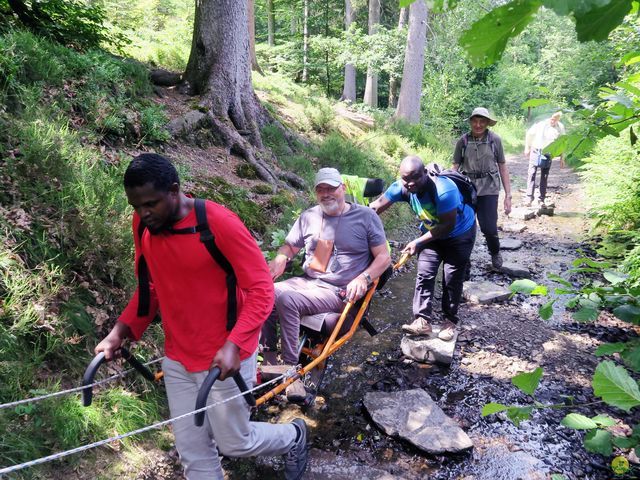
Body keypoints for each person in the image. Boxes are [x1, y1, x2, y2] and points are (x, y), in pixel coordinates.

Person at [94, 153, 307, 480]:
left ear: (175, 191)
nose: (143, 213)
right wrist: (121, 331)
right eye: (136, 206)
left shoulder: (217, 223)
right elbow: (149, 286)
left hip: (224, 358)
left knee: (234, 442)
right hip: (178, 357)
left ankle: (294, 436)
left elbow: (262, 290)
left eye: (151, 203)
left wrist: (234, 344)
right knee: (193, 451)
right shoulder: (144, 225)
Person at [262, 167, 391, 401]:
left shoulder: (366, 217)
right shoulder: (309, 216)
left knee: (285, 298)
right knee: (267, 291)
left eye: (331, 188)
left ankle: (291, 371)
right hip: (308, 282)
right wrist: (281, 257)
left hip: (339, 292)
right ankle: (269, 360)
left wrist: (363, 278)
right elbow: (290, 246)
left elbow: (383, 257)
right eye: (320, 189)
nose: (326, 193)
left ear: (342, 188)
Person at [370, 156, 476, 341]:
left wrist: (417, 242)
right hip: (431, 233)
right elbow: (375, 208)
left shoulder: (444, 190)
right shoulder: (400, 187)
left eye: (415, 178)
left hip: (459, 234)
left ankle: (449, 321)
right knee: (425, 275)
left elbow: (446, 226)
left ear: (425, 173)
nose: (410, 183)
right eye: (405, 179)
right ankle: (422, 321)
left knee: (452, 277)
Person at [452, 107, 512, 270]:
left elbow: (503, 167)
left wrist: (508, 195)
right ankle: (465, 261)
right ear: (471, 122)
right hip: (467, 188)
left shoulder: (495, 140)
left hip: (489, 188)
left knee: (489, 227)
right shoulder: (462, 141)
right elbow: (455, 167)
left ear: (487, 123)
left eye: (482, 122)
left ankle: (495, 252)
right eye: (475, 121)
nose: (478, 125)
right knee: (465, 226)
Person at [524, 111, 566, 207]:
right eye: (552, 119)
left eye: (555, 119)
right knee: (532, 173)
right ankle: (529, 198)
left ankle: (541, 199)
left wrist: (562, 158)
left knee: (545, 176)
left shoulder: (560, 127)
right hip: (536, 150)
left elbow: (563, 142)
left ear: (558, 119)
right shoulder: (541, 124)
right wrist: (527, 147)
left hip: (548, 153)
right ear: (549, 117)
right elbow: (529, 134)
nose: (553, 121)